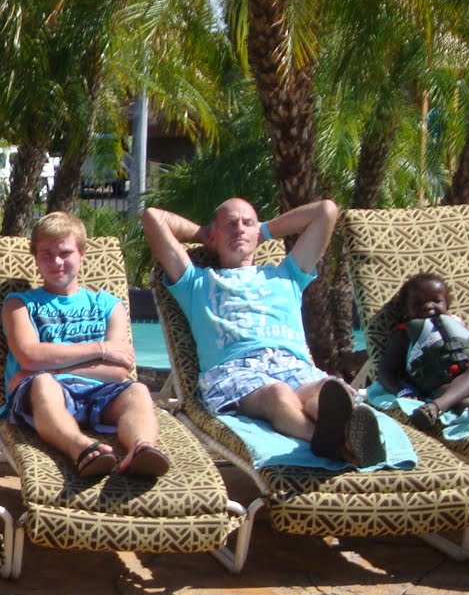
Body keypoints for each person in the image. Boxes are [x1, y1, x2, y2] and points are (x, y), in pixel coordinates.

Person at [142, 197, 386, 467]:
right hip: (234, 370)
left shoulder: (287, 275)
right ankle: (334, 445)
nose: (239, 229)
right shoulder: (196, 281)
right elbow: (153, 218)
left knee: (327, 393)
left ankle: (343, 435)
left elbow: (326, 210)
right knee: (278, 394)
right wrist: (205, 234)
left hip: (292, 365)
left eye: (247, 223)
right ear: (214, 235)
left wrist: (264, 230)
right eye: (230, 224)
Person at [1, 212, 170, 477]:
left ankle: (141, 448)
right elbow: (29, 356)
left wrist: (51, 365)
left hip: (99, 394)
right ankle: (82, 448)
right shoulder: (19, 303)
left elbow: (118, 370)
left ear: (82, 254)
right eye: (46, 254)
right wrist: (101, 349)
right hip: (44, 396)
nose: (56, 262)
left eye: (65, 253)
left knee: (137, 390)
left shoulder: (109, 305)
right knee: (43, 383)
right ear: (35, 257)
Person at [378, 272, 469, 434]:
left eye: (436, 301)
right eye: (418, 303)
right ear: (405, 309)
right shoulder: (405, 334)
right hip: (445, 387)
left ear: (447, 304)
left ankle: (434, 408)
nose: (428, 306)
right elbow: (385, 371)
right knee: (448, 392)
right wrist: (403, 391)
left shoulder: (457, 326)